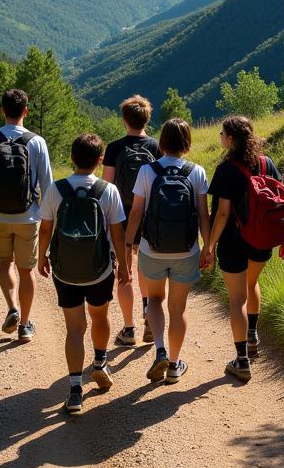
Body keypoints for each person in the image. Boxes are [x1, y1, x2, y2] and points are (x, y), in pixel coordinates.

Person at [38, 133, 130, 415]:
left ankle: (75, 389)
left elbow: (45, 229)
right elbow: (118, 234)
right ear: (100, 160)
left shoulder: (56, 189)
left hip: (65, 271)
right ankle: (100, 362)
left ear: (71, 157)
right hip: (99, 270)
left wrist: (41, 256)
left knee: (74, 328)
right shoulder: (108, 191)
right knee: (100, 316)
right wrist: (124, 267)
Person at [124, 118, 211, 385]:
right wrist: (209, 247)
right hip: (186, 251)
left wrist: (128, 246)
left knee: (155, 301)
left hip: (152, 249)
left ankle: (159, 347)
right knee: (178, 308)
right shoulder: (196, 172)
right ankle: (174, 365)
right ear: (187, 141)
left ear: (161, 142)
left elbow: (137, 212)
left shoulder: (148, 171)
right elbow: (203, 214)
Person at [203, 115, 283, 382]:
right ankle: (252, 337)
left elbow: (223, 214)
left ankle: (241, 360)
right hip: (262, 239)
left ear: (232, 139)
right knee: (252, 283)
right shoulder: (266, 162)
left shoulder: (226, 169)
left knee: (236, 299)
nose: (220, 137)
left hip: (234, 241)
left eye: (222, 133)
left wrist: (210, 245)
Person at [0, 88, 52, 341]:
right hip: (28, 215)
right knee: (27, 270)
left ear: (2, 110)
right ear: (26, 111)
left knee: (4, 263)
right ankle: (26, 325)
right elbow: (47, 184)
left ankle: (12, 308)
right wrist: (45, 215)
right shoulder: (37, 142)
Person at [102, 95, 161, 347]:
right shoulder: (156, 147)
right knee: (145, 266)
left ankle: (129, 329)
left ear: (125, 120)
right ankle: (149, 315)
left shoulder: (115, 148)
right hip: (149, 214)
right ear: (147, 119)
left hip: (122, 217)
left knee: (124, 274)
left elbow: (106, 187)